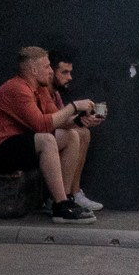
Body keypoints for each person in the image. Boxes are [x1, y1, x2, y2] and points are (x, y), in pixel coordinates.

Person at [0, 46, 99, 223]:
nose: (50, 71)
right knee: (46, 140)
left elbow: (58, 120)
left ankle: (64, 200)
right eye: (47, 66)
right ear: (34, 70)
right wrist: (74, 106)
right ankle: (61, 205)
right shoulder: (17, 89)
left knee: (71, 135)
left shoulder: (39, 90)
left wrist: (80, 120)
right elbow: (41, 124)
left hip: (16, 145)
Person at [46, 49, 105, 213]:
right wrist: (75, 110)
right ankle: (61, 198)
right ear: (50, 71)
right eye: (64, 72)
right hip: (31, 140)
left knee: (82, 132)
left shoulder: (54, 93)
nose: (69, 77)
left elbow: (57, 120)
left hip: (44, 136)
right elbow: (48, 122)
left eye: (70, 72)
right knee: (73, 134)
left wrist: (82, 120)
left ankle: (74, 193)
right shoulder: (40, 90)